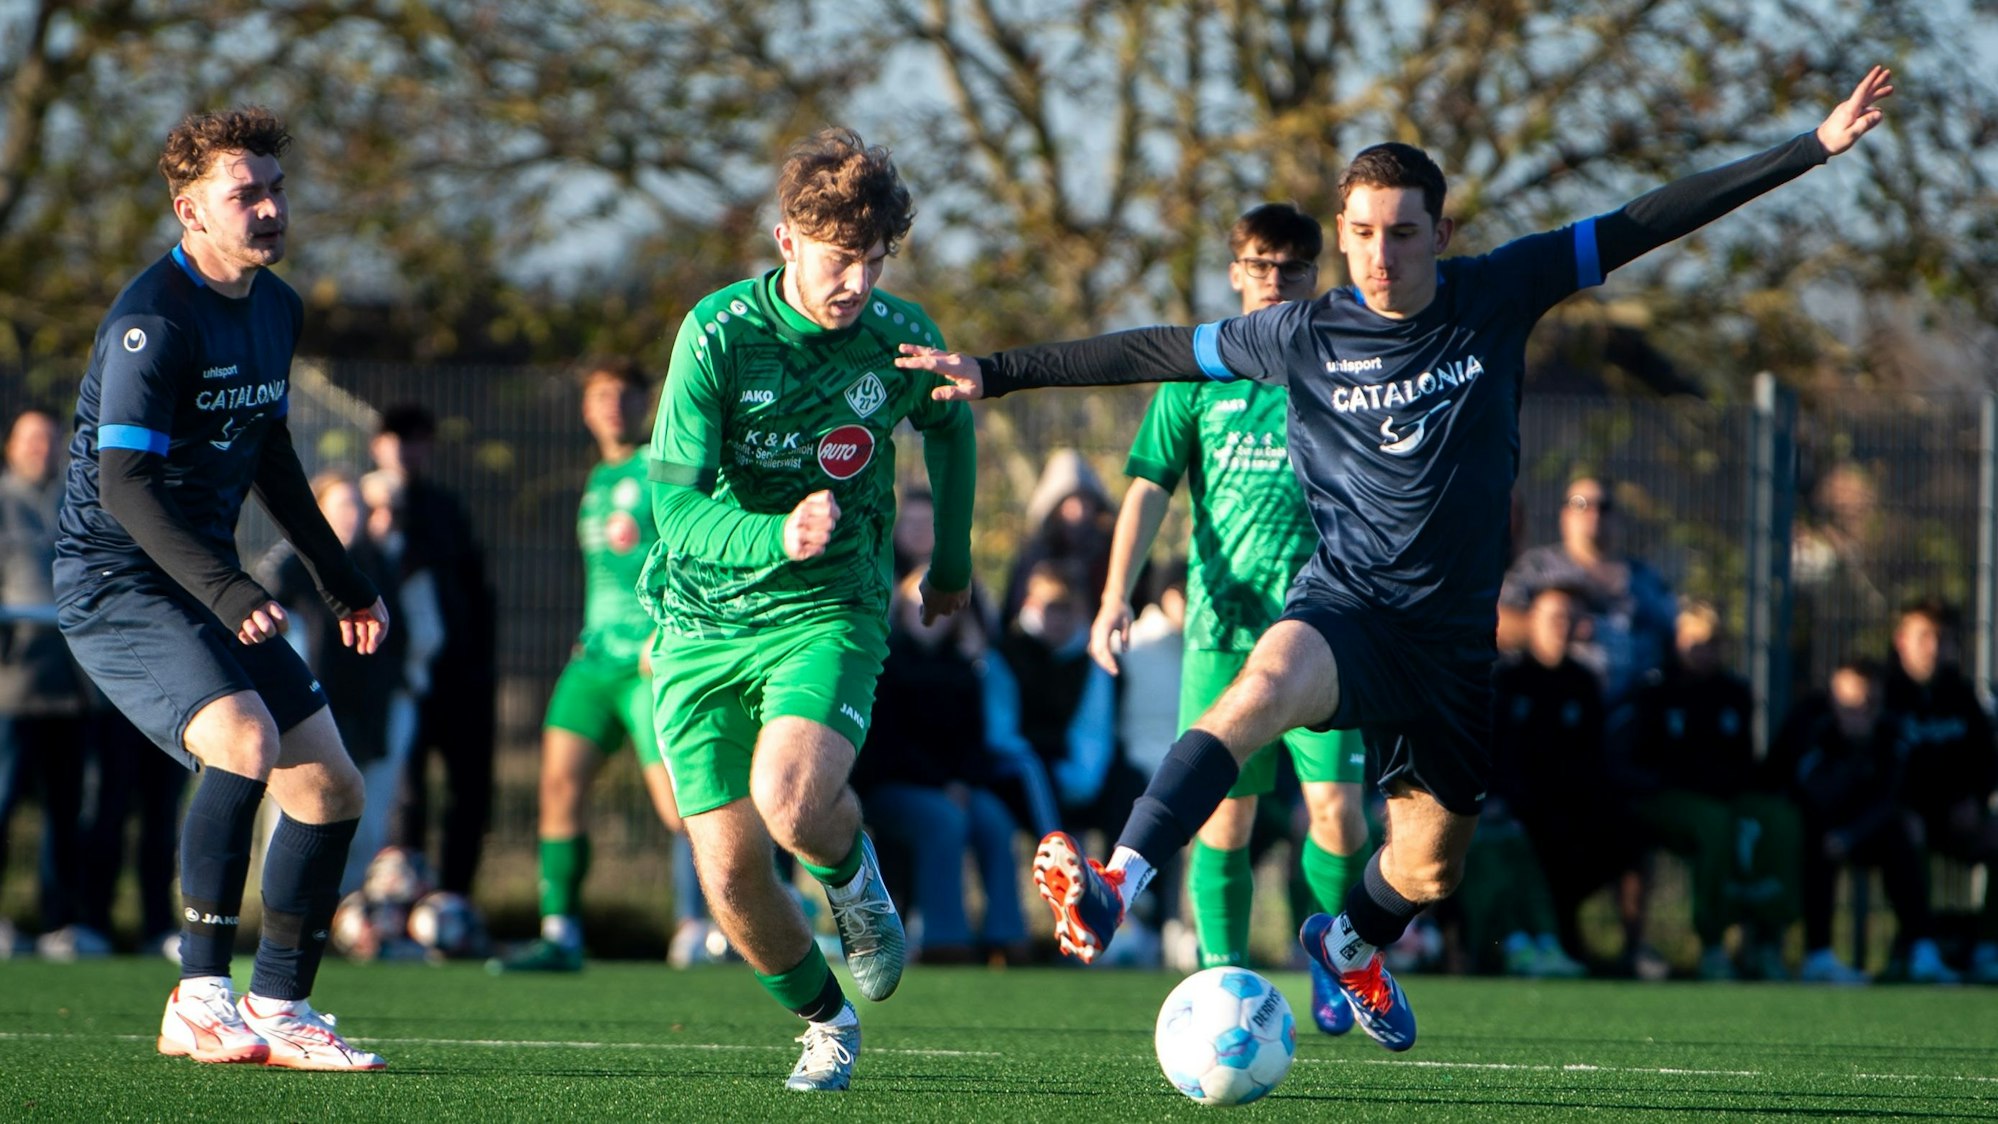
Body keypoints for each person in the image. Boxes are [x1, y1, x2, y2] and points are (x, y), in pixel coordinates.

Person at [899, 68, 1894, 1051]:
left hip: (1455, 644)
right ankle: (1118, 881)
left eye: (1404, 231)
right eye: (1363, 231)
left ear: (1442, 234)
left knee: (1426, 869)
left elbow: (1644, 220)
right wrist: (998, 372)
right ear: (1342, 232)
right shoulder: (1299, 331)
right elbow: (1150, 349)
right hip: (1350, 610)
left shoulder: (1499, 292)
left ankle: (1349, 942)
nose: (1381, 253)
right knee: (1257, 687)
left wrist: (1811, 147)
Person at [637, 127, 977, 1092]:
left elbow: (949, 426)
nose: (857, 283)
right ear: (787, 240)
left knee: (791, 801)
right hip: (699, 622)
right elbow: (674, 505)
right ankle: (826, 1021)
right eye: (839, 260)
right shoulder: (716, 334)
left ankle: (852, 878)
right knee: (732, 873)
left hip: (830, 607)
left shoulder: (895, 335)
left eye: (874, 261)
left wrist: (948, 561)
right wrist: (772, 533)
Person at [51, 106, 389, 1069]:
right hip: (116, 579)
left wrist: (342, 578)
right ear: (188, 208)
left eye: (277, 189)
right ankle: (200, 996)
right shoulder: (150, 323)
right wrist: (232, 586)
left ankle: (279, 1007)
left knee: (329, 787)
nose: (271, 209)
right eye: (247, 194)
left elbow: (269, 453)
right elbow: (123, 486)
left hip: (201, 579)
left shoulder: (274, 306)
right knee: (242, 739)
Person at [1087, 203, 1371, 1028]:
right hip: (1223, 635)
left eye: (1291, 268)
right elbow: (1146, 489)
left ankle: (1335, 955)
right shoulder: (1198, 374)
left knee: (1339, 813)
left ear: (1315, 277)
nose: (1274, 281)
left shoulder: (1341, 369)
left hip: (1326, 630)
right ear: (1236, 271)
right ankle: (1222, 987)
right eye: (1259, 265)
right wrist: (1116, 596)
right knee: (1223, 818)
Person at [492, 358, 709, 973]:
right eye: (601, 396)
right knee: (558, 788)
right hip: (592, 661)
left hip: (649, 663)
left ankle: (730, 924)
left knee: (682, 806)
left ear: (645, 404)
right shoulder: (595, 479)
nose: (613, 405)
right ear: (586, 409)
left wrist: (665, 635)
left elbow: (692, 555)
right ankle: (561, 934)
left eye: (624, 395)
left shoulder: (661, 468)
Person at [852, 568, 1027, 965]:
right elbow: (886, 745)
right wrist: (941, 784)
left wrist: (963, 780)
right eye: (917, 605)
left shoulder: (965, 667)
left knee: (995, 821)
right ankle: (945, 939)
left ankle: (1007, 936)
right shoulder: (884, 661)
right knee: (943, 820)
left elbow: (975, 741)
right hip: (891, 788)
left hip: (954, 787)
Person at [1628, 601, 1801, 980]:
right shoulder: (1656, 690)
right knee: (1716, 824)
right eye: (1694, 641)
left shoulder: (1734, 692)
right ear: (1678, 641)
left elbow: (1742, 761)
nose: (1702, 651)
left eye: (1711, 642)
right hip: (1670, 799)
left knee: (1780, 819)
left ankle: (1768, 937)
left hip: (1726, 798)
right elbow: (1646, 761)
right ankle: (1713, 942)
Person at [373, 402, 497, 896]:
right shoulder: (362, 509)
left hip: (459, 676)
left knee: (468, 791)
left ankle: (453, 901)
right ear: (377, 445)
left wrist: (480, 661)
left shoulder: (446, 509)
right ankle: (403, 899)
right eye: (397, 438)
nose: (407, 450)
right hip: (397, 678)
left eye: (418, 439)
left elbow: (475, 588)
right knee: (405, 794)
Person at [1488, 584, 1644, 976]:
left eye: (1570, 618)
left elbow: (1593, 758)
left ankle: (1630, 952)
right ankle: (1533, 942)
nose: (1563, 626)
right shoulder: (1507, 679)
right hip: (1518, 807)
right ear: (1532, 622)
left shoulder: (1584, 682)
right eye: (1554, 617)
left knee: (1626, 837)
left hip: (1573, 807)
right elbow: (1495, 754)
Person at [1766, 660, 1941, 984]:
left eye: (1870, 702)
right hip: (1812, 828)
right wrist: (1846, 750)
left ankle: (1921, 948)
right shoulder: (1813, 727)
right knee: (1814, 840)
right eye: (1851, 703)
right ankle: (1816, 954)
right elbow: (1803, 790)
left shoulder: (1890, 732)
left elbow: (1889, 797)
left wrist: (1850, 834)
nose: (1861, 710)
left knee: (1900, 836)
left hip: (1859, 829)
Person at [0, 408, 91, 957]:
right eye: (31, 439)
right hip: (9, 688)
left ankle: (60, 921)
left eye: (50, 440)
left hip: (71, 688)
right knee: (3, 802)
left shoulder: (75, 502)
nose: (42, 448)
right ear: (11, 445)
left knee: (65, 811)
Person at [1499, 474, 1677, 747]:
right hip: (1553, 712)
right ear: (1564, 515)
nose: (1593, 513)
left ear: (1618, 517)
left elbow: (1675, 638)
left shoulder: (1646, 579)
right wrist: (1554, 628)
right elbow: (1496, 622)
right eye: (1580, 503)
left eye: (1604, 505)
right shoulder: (1537, 569)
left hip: (1634, 719)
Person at [1881, 601, 1996, 982]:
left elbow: (1985, 761)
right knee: (1902, 838)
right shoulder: (1885, 696)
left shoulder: (1961, 698)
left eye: (1942, 638)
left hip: (1953, 819)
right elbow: (1873, 768)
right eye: (1924, 636)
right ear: (1901, 640)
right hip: (1897, 819)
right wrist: (1902, 807)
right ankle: (1920, 947)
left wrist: (1974, 801)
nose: (1933, 646)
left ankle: (1987, 948)